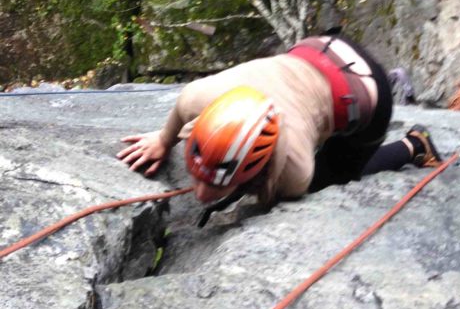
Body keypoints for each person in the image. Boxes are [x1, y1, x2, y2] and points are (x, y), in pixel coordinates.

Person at [117, 35, 442, 220]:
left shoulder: (293, 170)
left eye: (215, 185)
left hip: (366, 94)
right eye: (199, 177)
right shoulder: (195, 99)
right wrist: (162, 140)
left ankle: (415, 144)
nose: (201, 195)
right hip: (320, 49)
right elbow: (178, 114)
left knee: (335, 175)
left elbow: (270, 203)